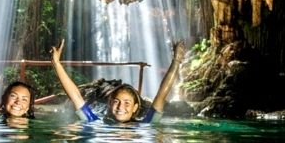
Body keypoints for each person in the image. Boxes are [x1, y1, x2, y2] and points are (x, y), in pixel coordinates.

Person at [49, 38, 185, 123]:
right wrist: (56, 63)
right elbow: (76, 96)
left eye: (127, 103)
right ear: (109, 103)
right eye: (116, 101)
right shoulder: (94, 121)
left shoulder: (147, 123)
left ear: (135, 108)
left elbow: (161, 95)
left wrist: (176, 61)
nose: (121, 107)